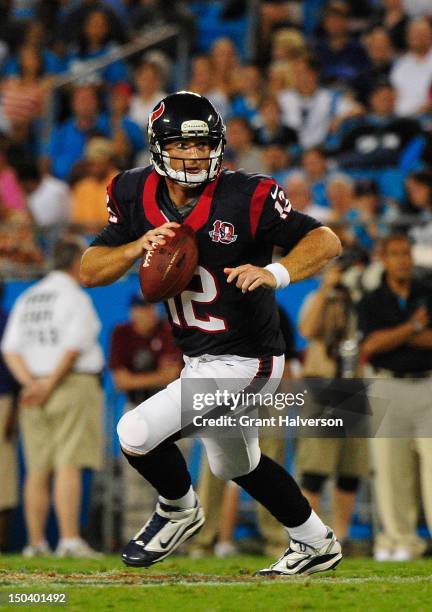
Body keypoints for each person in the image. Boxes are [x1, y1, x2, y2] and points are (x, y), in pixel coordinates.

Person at [80, 91, 342, 576]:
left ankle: (178, 510)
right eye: (184, 144)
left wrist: (277, 272)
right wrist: (135, 246)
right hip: (200, 358)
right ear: (159, 147)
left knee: (135, 432)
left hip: (250, 359)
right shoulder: (132, 192)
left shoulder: (248, 194)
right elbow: (91, 270)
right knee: (236, 465)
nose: (196, 155)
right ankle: (315, 542)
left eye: (204, 145)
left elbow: (326, 239)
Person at [1, 237, 104, 558]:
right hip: (69, 385)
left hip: (32, 392)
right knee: (68, 464)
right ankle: (69, 540)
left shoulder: (29, 297)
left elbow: (10, 349)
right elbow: (74, 347)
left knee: (37, 468)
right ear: (76, 263)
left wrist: (32, 384)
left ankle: (35, 543)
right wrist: (49, 383)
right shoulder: (74, 297)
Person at [358, 234, 432, 561]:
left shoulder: (427, 294)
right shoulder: (372, 300)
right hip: (387, 386)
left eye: (406, 253)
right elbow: (370, 346)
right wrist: (415, 327)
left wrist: (397, 335)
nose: (402, 259)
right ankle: (401, 540)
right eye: (395, 254)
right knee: (390, 470)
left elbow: (383, 341)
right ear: (383, 259)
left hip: (427, 385)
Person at [109, 293, 182, 538]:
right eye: (141, 308)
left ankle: (175, 536)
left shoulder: (167, 329)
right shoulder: (122, 333)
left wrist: (136, 380)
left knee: (175, 475)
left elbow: (171, 375)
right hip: (137, 409)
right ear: (133, 311)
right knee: (135, 478)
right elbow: (120, 381)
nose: (147, 313)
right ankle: (136, 535)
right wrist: (155, 377)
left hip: (171, 411)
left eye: (151, 307)